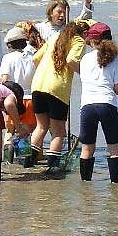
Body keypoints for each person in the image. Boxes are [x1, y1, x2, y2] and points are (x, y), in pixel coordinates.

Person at [25, 20, 90, 171]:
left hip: (38, 85)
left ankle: (29, 161)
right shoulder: (79, 41)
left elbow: (35, 58)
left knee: (41, 126)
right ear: (84, 33)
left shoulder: (55, 37)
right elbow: (72, 60)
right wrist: (86, 74)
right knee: (58, 131)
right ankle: (53, 167)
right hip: (57, 89)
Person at [79, 22, 118, 183]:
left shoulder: (85, 59)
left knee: (87, 148)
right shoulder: (117, 61)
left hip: (88, 106)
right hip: (107, 104)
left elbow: (84, 80)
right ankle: (117, 183)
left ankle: (85, 182)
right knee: (114, 147)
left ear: (92, 41)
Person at [0, 26, 36, 163]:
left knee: (9, 132)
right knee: (25, 133)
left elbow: (4, 79)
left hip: (12, 100)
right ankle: (25, 162)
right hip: (31, 99)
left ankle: (8, 162)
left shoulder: (8, 58)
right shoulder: (34, 57)